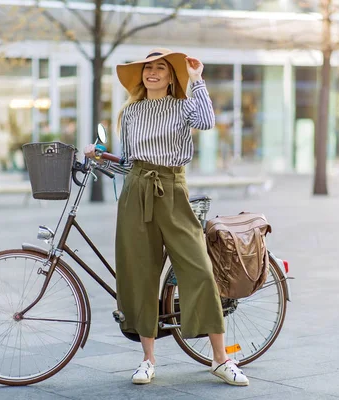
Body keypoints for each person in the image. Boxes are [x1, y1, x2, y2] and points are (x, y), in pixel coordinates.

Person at [84, 48, 249, 386]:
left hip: (173, 189)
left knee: (199, 269)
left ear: (171, 76)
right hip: (135, 192)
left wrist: (197, 79)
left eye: (160, 68)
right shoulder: (131, 112)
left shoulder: (184, 104)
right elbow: (129, 163)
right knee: (140, 274)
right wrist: (100, 158)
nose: (153, 73)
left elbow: (206, 121)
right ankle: (147, 359)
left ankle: (220, 358)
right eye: (148, 68)